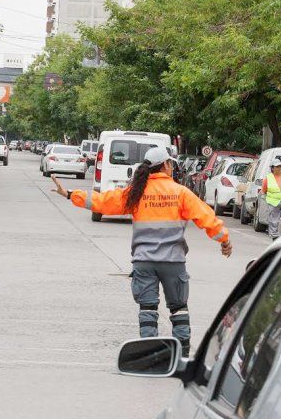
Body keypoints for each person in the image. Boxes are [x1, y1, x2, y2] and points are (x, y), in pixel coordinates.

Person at [51, 148, 232, 357]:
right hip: (173, 262)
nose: (173, 167)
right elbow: (206, 218)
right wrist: (224, 240)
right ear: (165, 165)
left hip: (143, 262)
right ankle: (181, 355)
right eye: (171, 164)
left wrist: (71, 195)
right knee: (179, 308)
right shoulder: (180, 192)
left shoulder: (136, 192)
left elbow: (104, 202)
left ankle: (149, 354)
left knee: (148, 309)